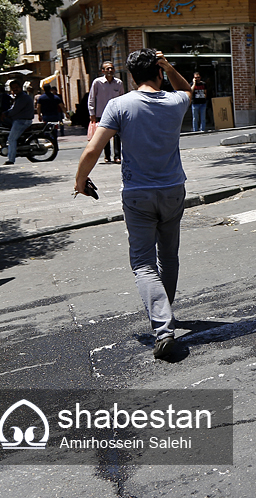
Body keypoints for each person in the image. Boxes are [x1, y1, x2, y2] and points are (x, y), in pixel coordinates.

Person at [74, 49, 193, 360]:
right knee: (168, 255)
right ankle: (166, 314)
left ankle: (163, 328)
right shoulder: (175, 101)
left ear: (130, 76)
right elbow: (186, 89)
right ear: (157, 71)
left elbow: (92, 150)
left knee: (143, 263)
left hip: (138, 194)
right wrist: (169, 66)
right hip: (172, 190)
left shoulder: (119, 105)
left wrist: (79, 183)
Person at [89, 61, 124, 163]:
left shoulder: (119, 83)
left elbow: (122, 98)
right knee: (105, 135)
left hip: (116, 113)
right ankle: (107, 156)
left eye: (111, 68)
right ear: (103, 71)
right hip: (102, 113)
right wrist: (92, 113)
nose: (110, 70)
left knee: (117, 135)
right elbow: (91, 98)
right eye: (107, 68)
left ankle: (117, 156)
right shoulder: (97, 82)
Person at [1, 79, 34, 165]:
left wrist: (7, 114)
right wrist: (5, 112)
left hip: (22, 121)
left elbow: (15, 110)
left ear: (20, 87)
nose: (14, 89)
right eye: (13, 88)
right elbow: (13, 108)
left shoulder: (23, 97)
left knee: (11, 139)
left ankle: (11, 159)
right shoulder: (18, 97)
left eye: (16, 87)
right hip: (19, 120)